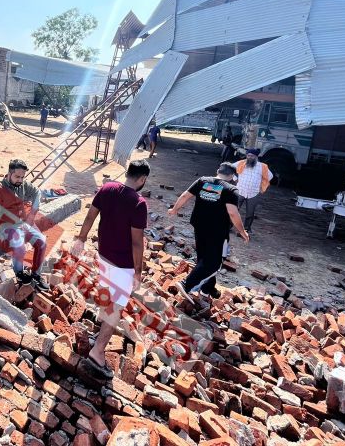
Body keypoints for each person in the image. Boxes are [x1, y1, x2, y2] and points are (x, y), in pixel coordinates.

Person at [74, 160, 150, 376]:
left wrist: (81, 239)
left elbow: (90, 216)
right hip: (123, 263)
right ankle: (97, 352)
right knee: (116, 307)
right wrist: (138, 272)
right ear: (142, 179)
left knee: (107, 292)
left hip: (104, 254)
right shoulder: (139, 203)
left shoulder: (107, 188)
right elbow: (137, 243)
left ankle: (99, 324)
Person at [168, 163, 249, 297]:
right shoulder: (231, 189)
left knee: (204, 256)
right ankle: (186, 284)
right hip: (217, 230)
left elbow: (185, 196)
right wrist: (242, 231)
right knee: (214, 262)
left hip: (199, 225)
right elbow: (233, 213)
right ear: (232, 176)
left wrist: (175, 209)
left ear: (218, 171)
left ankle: (208, 288)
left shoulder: (202, 181)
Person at [0, 159, 48, 290]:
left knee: (42, 242)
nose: (20, 180)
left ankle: (36, 275)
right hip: (7, 225)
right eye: (17, 177)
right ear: (9, 173)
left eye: (22, 177)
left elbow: (37, 192)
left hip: (24, 223)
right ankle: (19, 274)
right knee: (20, 247)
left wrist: (32, 214)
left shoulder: (23, 185)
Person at [235, 148, 273, 234]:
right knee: (234, 210)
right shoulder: (241, 163)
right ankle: (228, 226)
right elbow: (228, 167)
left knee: (250, 213)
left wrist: (261, 185)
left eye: (252, 156)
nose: (249, 157)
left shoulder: (262, 166)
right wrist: (235, 178)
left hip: (253, 193)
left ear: (256, 157)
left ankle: (246, 230)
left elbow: (270, 176)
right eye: (248, 155)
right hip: (240, 190)